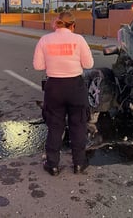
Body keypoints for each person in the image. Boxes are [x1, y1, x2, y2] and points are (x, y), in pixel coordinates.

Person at [33, 11, 94, 176]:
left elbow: (38, 66)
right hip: (75, 86)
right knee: (78, 125)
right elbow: (88, 64)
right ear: (73, 25)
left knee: (55, 126)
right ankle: (79, 164)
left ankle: (52, 165)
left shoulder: (45, 40)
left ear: (57, 24)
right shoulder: (78, 39)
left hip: (54, 87)